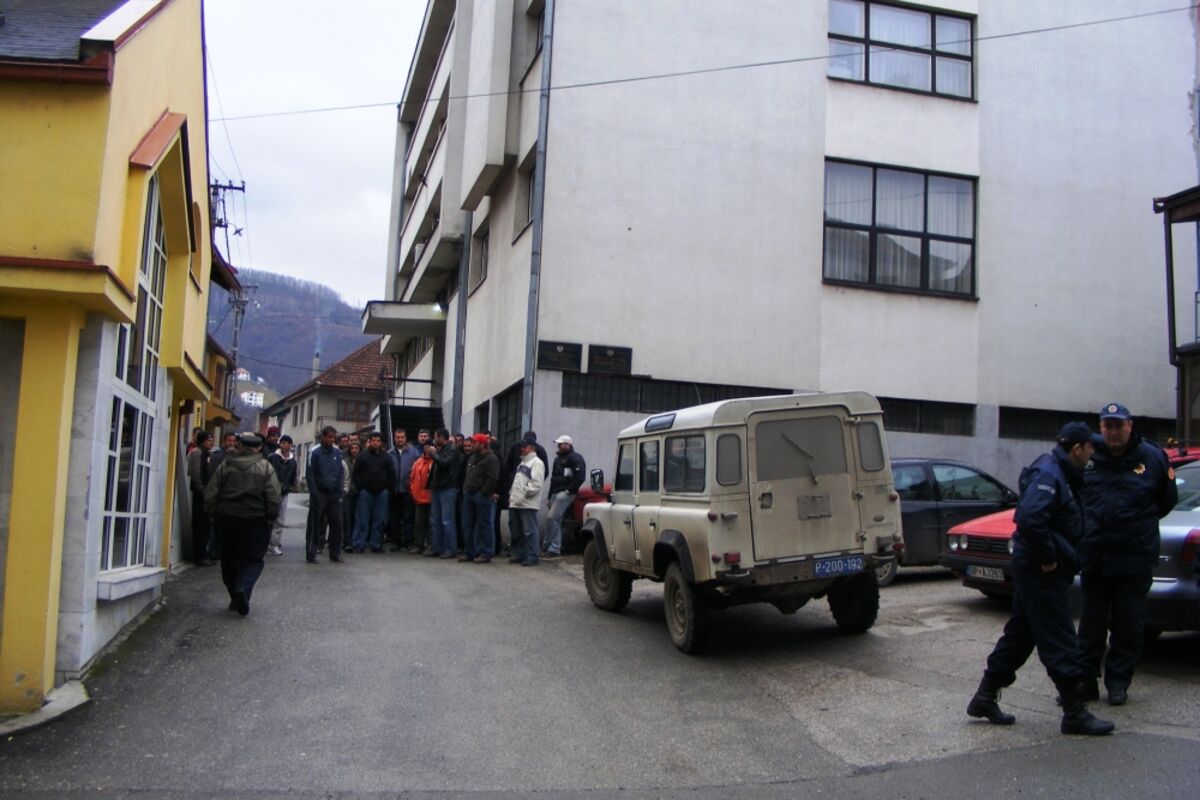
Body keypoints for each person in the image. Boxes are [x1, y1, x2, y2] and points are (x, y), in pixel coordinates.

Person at [967, 422, 1114, 735]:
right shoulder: (1051, 474)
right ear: (1077, 448)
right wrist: (1048, 559)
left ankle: (984, 697)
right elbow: (1031, 518)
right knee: (1060, 637)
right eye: (1090, 447)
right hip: (1041, 571)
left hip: (1038, 568)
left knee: (1020, 636)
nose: (1092, 453)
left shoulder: (1061, 473)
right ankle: (1075, 712)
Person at [1078, 402, 1177, 706]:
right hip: (1095, 555)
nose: (1113, 432)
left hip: (1134, 557)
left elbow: (1166, 500)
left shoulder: (1152, 457)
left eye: (1119, 425)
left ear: (1130, 426)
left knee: (1128, 625)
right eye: (1107, 426)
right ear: (1100, 427)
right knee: (1090, 625)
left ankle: (1118, 682)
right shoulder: (1089, 455)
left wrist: (1137, 526)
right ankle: (1085, 682)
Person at [204, 432, 281, 617]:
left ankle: (234, 594)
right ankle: (243, 589)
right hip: (255, 520)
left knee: (228, 558)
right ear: (259, 448)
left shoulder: (226, 466)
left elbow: (211, 493)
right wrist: (271, 516)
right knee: (253, 559)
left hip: (226, 518)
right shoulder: (265, 467)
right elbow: (273, 496)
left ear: (239, 446)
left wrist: (212, 514)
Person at [500, 431, 550, 559]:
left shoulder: (537, 463)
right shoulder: (522, 463)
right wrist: (512, 494)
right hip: (516, 502)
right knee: (517, 530)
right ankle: (520, 553)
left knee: (529, 531)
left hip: (527, 503)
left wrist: (525, 492)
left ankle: (532, 555)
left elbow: (536, 483)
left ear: (532, 448)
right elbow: (516, 481)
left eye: (524, 447)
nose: (521, 449)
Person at [307, 426, 345, 564]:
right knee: (315, 523)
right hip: (320, 492)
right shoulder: (315, 452)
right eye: (329, 437)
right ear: (323, 437)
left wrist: (340, 490)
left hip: (334, 493)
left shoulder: (337, 452)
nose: (331, 440)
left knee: (337, 523)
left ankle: (335, 553)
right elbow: (310, 473)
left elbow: (340, 472)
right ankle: (311, 552)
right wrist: (314, 492)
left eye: (333, 437)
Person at [352, 431, 396, 553]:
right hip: (365, 492)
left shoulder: (386, 457)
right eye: (373, 441)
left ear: (381, 443)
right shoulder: (362, 456)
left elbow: (392, 474)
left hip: (382, 493)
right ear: (369, 442)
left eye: (378, 441)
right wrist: (360, 487)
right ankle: (359, 543)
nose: (375, 443)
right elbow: (356, 473)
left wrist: (388, 488)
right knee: (362, 520)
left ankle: (375, 544)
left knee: (379, 520)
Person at [460, 433, 500, 563]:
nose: (472, 445)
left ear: (482, 444)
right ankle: (470, 552)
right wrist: (466, 489)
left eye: (475, 442)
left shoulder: (491, 458)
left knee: (484, 525)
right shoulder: (472, 457)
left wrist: (484, 492)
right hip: (469, 494)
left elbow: (492, 478)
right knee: (467, 525)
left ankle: (485, 552)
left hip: (481, 495)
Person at [545, 435, 586, 557]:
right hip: (556, 492)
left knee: (552, 518)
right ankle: (553, 547)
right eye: (558, 443)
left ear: (568, 445)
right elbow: (553, 479)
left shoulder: (576, 458)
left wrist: (568, 491)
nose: (558, 445)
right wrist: (549, 496)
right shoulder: (557, 460)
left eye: (561, 443)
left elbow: (580, 477)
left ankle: (552, 546)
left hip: (565, 493)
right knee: (556, 519)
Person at [427, 428, 462, 559]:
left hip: (448, 487)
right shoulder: (441, 450)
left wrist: (434, 454)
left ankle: (450, 549)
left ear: (442, 437)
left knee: (447, 520)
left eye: (436, 437)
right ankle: (437, 547)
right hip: (437, 487)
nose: (435, 439)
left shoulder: (451, 450)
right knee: (435, 520)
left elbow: (444, 463)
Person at [388, 428, 421, 552]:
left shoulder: (414, 453)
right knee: (394, 518)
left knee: (409, 517)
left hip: (408, 491)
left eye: (402, 437)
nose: (400, 439)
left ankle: (408, 541)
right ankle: (396, 542)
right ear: (394, 438)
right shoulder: (389, 453)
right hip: (394, 491)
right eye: (398, 437)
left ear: (406, 438)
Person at [186, 430, 215, 566]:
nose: (211, 443)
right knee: (200, 525)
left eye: (212, 440)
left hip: (207, 494)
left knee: (206, 526)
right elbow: (196, 476)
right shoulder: (197, 453)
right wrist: (204, 493)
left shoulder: (207, 454)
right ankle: (199, 555)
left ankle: (204, 553)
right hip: (200, 495)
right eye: (208, 440)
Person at [266, 434, 298, 556]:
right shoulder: (272, 458)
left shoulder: (292, 461)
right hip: (271, 492)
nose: (284, 446)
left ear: (290, 445)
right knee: (268, 518)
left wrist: (289, 487)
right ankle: (265, 543)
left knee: (279, 520)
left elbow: (293, 477)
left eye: (287, 443)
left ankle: (274, 544)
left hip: (284, 493)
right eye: (282, 443)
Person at [410, 441, 434, 556]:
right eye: (426, 447)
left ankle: (431, 545)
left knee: (431, 523)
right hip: (419, 497)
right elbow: (412, 478)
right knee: (419, 523)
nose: (427, 449)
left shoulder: (436, 462)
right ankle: (418, 544)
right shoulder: (417, 463)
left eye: (429, 447)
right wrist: (413, 491)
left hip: (431, 498)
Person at [341, 440, 360, 553]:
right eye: (352, 448)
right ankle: (347, 541)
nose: (354, 450)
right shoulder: (345, 461)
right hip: (348, 493)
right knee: (346, 517)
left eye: (356, 448)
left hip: (359, 492)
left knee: (357, 518)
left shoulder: (362, 461)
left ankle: (355, 541)